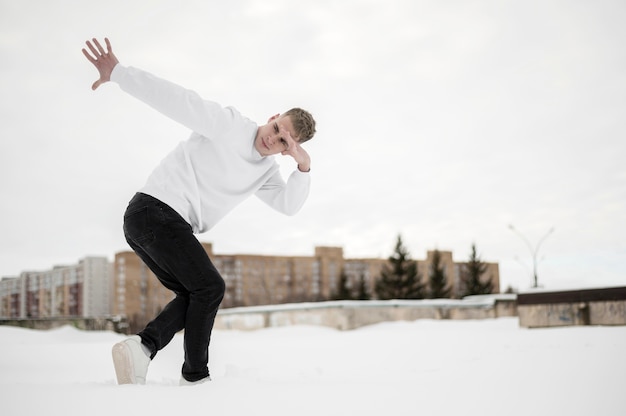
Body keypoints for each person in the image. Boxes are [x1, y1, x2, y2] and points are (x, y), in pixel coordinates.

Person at [82, 38, 316, 386]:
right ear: (272, 117)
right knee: (210, 287)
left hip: (155, 222)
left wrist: (303, 168)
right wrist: (118, 72)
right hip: (156, 210)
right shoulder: (231, 125)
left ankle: (142, 348)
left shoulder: (266, 173)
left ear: (287, 151)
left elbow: (288, 205)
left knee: (196, 293)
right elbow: (177, 99)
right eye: (277, 128)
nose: (273, 138)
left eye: (284, 142)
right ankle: (194, 376)